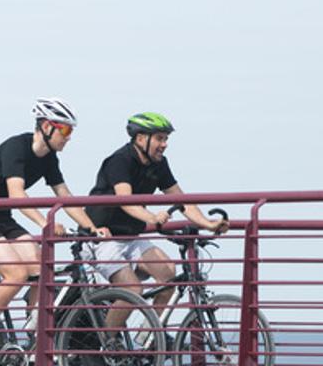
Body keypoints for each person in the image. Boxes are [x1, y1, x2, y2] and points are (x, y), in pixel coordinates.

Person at [0, 98, 109, 366]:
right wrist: (45, 224)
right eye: (66, 131)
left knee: (41, 268)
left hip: (1, 219)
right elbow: (16, 194)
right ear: (48, 127)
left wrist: (91, 227)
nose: (69, 138)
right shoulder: (16, 147)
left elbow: (64, 196)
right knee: (16, 274)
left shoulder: (49, 159)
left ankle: (32, 333)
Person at [83, 111, 228, 324]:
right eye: (159, 138)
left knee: (168, 274)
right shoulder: (119, 160)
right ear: (141, 138)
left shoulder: (159, 164)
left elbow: (181, 199)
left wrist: (208, 223)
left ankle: (148, 339)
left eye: (166, 139)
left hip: (131, 237)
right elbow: (126, 200)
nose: (164, 144)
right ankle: (108, 348)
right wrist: (152, 217)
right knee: (132, 290)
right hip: (103, 238)